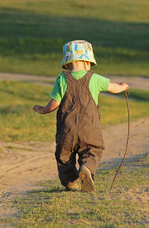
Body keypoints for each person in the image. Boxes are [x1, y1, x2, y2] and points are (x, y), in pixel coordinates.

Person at [33, 40, 129, 192]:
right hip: (89, 128)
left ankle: (70, 182)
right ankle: (87, 169)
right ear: (87, 62)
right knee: (93, 150)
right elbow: (114, 88)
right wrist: (123, 86)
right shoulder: (95, 78)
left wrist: (43, 109)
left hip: (67, 129)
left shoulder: (62, 79)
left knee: (64, 156)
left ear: (67, 63)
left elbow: (55, 103)